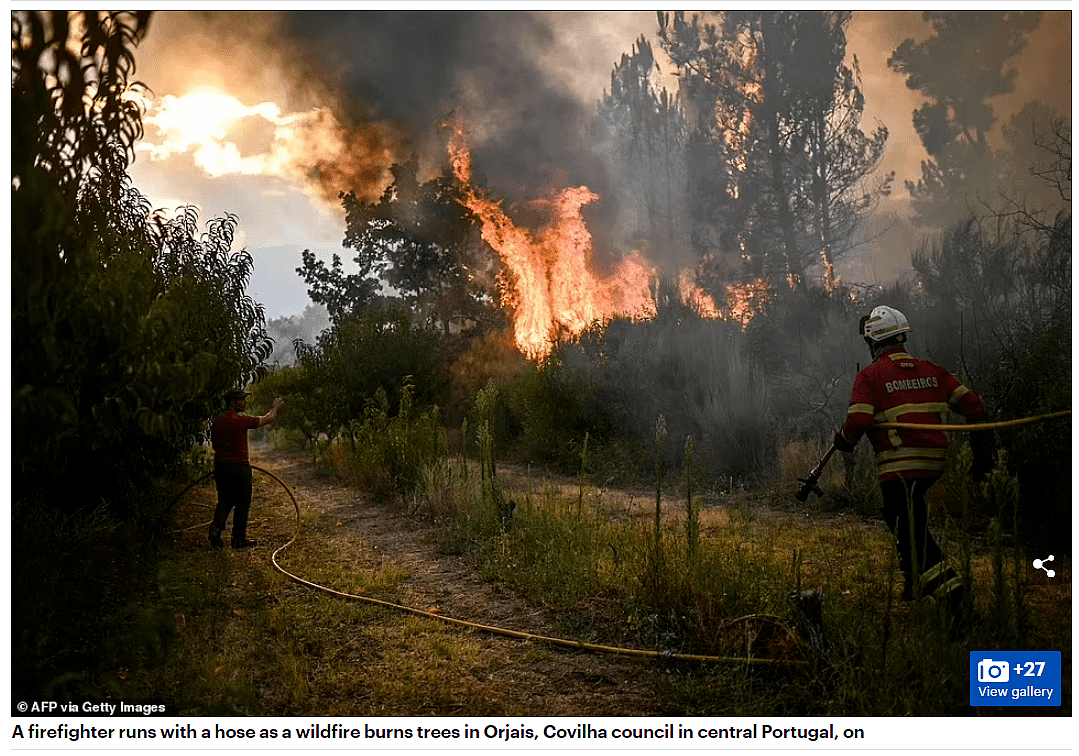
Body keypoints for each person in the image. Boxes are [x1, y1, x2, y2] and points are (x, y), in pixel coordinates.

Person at [833, 306, 992, 619]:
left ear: (872, 343)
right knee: (909, 522)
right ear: (901, 337)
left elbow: (859, 420)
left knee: (910, 536)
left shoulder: (869, 376)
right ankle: (914, 583)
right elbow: (975, 408)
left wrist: (845, 442)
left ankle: (954, 598)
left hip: (898, 468)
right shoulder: (934, 371)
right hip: (934, 464)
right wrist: (982, 457)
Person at [209, 388, 284, 549]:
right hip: (239, 467)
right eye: (241, 399)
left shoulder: (217, 421)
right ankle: (238, 539)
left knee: (224, 501)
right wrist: (276, 407)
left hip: (221, 467)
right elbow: (268, 418)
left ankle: (215, 530)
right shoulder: (240, 420)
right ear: (233, 402)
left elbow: (214, 444)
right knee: (243, 502)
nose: (245, 402)